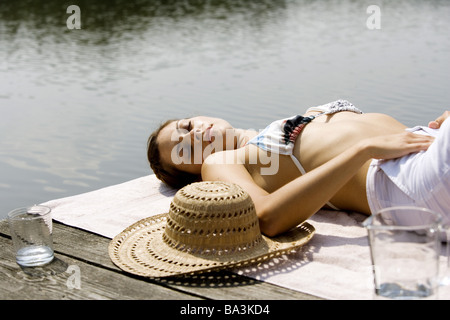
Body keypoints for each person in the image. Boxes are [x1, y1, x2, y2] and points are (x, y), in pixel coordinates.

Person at [148, 100, 449, 237]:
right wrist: (363, 151)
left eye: (187, 125)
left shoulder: (276, 126)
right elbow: (268, 217)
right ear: (195, 173)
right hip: (401, 180)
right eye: (185, 148)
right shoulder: (221, 162)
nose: (194, 134)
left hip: (427, 149)